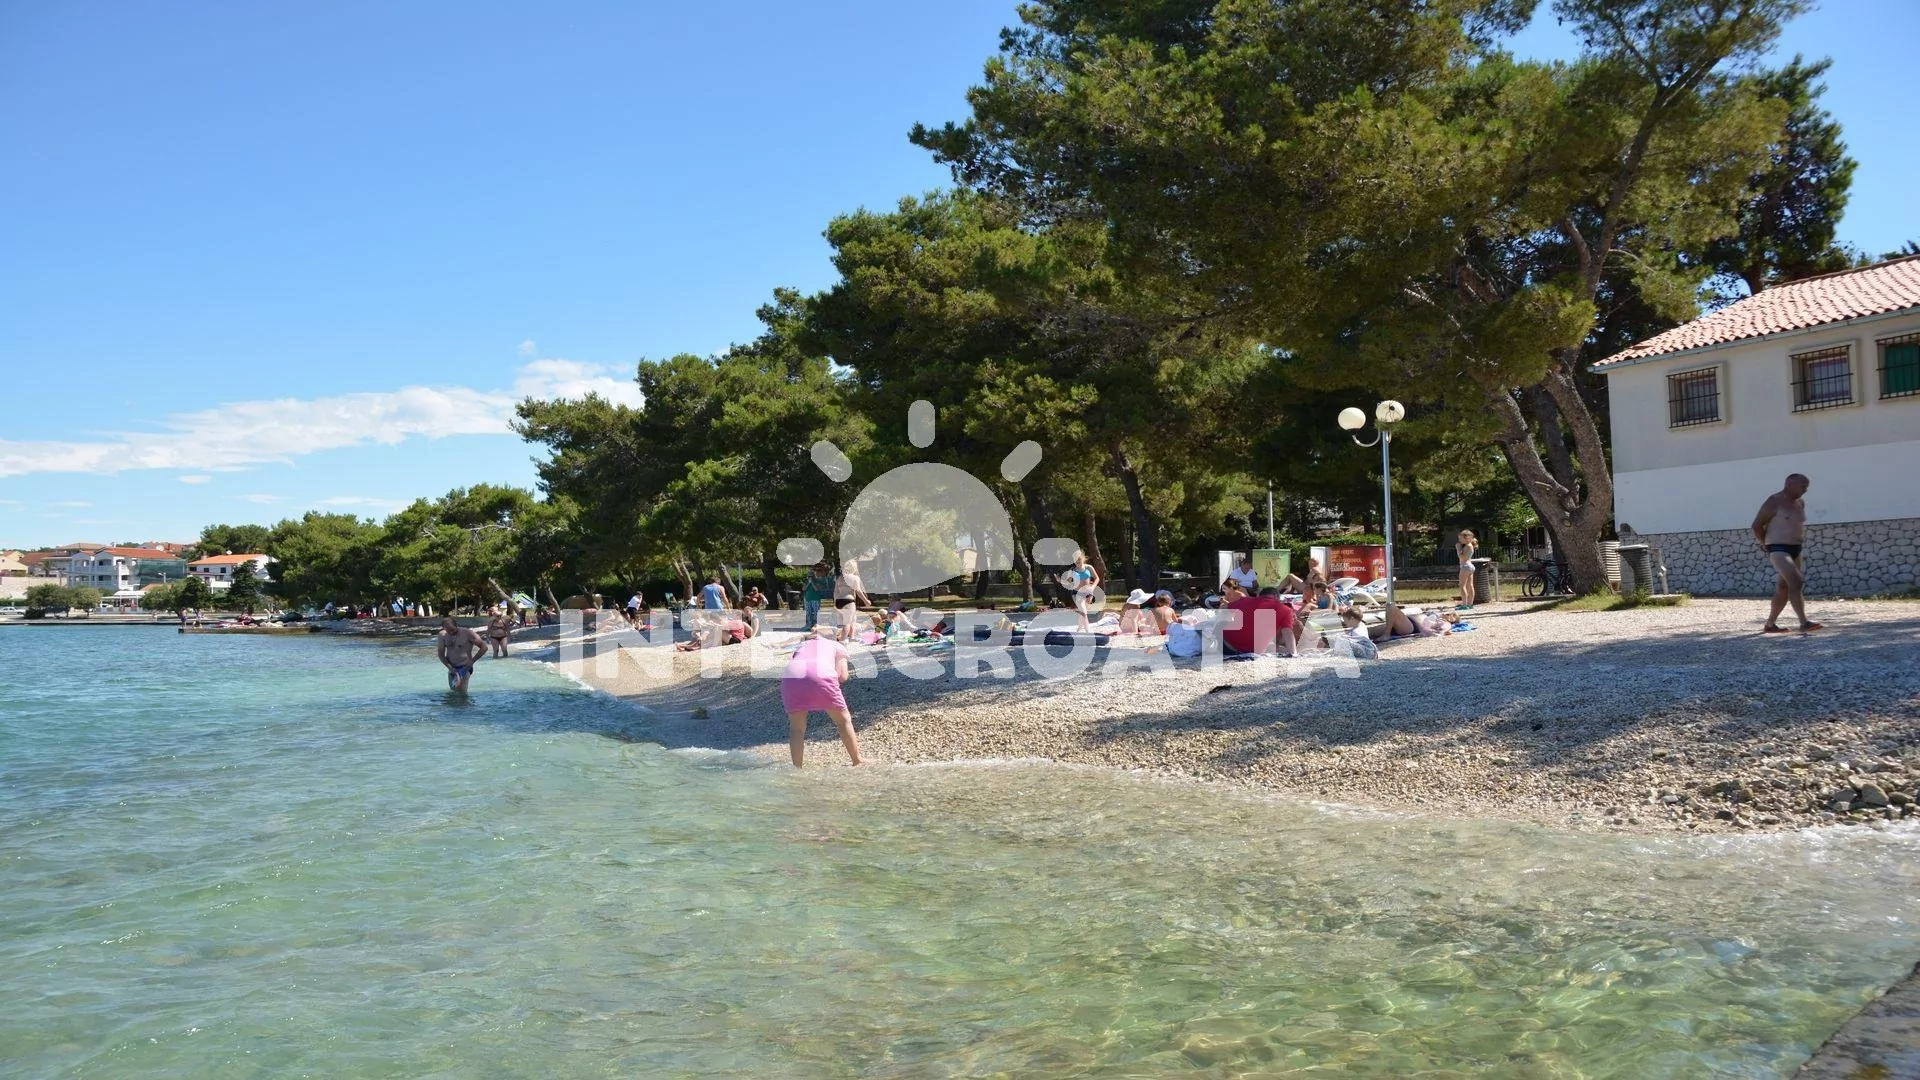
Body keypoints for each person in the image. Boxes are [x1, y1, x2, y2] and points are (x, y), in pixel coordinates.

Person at [782, 627, 864, 767]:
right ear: (835, 637)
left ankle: (797, 768)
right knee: (843, 721)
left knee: (797, 728)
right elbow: (842, 676)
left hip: (791, 678)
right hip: (821, 676)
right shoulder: (837, 645)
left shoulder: (802, 645)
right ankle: (857, 760)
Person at [1754, 473, 1822, 633]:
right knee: (1796, 582)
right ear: (1789, 484)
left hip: (1796, 548)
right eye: (1803, 487)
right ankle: (1804, 622)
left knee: (1784, 587)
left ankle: (1770, 625)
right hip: (1778, 548)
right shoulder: (1774, 501)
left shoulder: (1800, 503)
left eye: (1807, 487)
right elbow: (1756, 525)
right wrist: (1765, 544)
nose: (1805, 490)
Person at [1223, 586, 1298, 657]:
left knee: (1222, 624)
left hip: (1229, 646)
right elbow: (1288, 633)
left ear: (1259, 596)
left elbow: (1224, 607)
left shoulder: (1244, 600)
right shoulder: (1286, 610)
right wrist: (1293, 654)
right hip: (1255, 650)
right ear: (1276, 596)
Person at [437, 616, 489, 691]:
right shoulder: (442, 635)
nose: (451, 632)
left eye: (452, 630)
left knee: (461, 692)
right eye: (448, 631)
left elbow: (484, 647)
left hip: (465, 667)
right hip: (452, 667)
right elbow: (441, 654)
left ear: (456, 625)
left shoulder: (468, 633)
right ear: (444, 629)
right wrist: (450, 667)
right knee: (453, 692)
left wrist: (472, 661)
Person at [1058, 551, 1100, 631]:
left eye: (1079, 559)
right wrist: (1060, 581)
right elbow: (1068, 582)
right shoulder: (1072, 570)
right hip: (1077, 593)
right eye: (1075, 559)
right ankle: (1088, 632)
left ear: (1083, 559)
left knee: (1083, 612)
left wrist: (1093, 587)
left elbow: (1097, 578)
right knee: (1084, 612)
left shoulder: (1089, 567)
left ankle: (1080, 626)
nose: (1077, 561)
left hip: (1088, 592)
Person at [833, 560, 872, 642]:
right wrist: (866, 601)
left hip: (839, 600)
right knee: (847, 622)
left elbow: (836, 592)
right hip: (848, 601)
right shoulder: (855, 578)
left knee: (853, 618)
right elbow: (858, 591)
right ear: (854, 568)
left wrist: (836, 602)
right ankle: (842, 640)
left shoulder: (840, 578)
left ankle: (852, 637)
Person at [801, 561, 835, 631]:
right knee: (808, 613)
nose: (816, 572)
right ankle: (809, 625)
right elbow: (803, 589)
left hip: (815, 599)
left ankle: (816, 625)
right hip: (807, 598)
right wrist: (809, 583)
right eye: (815, 571)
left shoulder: (818, 581)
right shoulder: (807, 581)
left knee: (816, 613)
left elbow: (816, 589)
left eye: (811, 576)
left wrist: (812, 582)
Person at [1456, 529, 1479, 610]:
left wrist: (1458, 549)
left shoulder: (1468, 546)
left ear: (1467, 538)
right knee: (1470, 585)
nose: (1459, 540)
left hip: (1465, 566)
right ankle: (1470, 604)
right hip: (1470, 566)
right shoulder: (1469, 545)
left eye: (1461, 538)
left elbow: (1462, 558)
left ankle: (1465, 605)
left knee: (1462, 586)